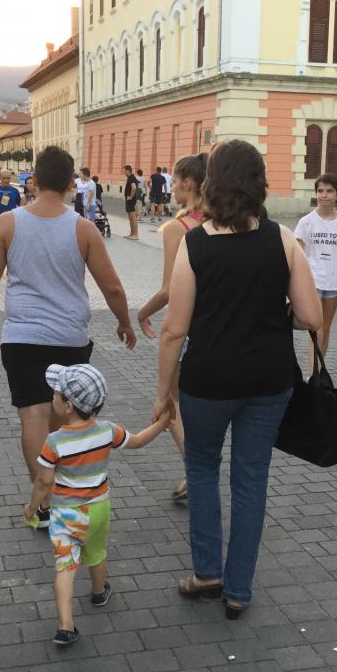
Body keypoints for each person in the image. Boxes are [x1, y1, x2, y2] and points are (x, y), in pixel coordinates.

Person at [152, 140, 322, 617]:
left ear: (212, 183)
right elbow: (310, 316)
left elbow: (174, 329)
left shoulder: (195, 243)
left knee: (202, 470)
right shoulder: (282, 239)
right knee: (251, 480)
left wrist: (163, 392)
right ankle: (239, 590)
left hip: (207, 382)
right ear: (259, 184)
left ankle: (207, 573)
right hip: (268, 381)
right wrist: (275, 314)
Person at [0, 145, 137, 529]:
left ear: (34, 179)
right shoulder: (83, 228)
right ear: (69, 184)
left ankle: (44, 501)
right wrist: (124, 322)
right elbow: (112, 286)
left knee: (32, 414)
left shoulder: (8, 224)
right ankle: (63, 489)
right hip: (69, 338)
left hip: (22, 337)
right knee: (61, 415)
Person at [24, 364, 170, 645]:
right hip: (98, 509)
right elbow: (138, 441)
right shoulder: (107, 431)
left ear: (68, 405)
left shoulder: (54, 442)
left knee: (65, 567)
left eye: (56, 394)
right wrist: (162, 423)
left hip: (66, 514)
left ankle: (65, 626)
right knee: (97, 552)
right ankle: (99, 592)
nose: (52, 396)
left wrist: (31, 509)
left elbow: (44, 481)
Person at [137, 153, 208, 502]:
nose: (172, 187)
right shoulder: (225, 220)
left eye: (176, 181)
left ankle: (196, 473)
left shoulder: (179, 229)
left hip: (188, 327)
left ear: (188, 184)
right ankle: (199, 471)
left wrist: (141, 312)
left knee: (170, 403)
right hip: (220, 331)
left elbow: (169, 290)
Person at [294, 173, 337, 372]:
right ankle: (313, 375)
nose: (324, 195)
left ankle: (319, 371)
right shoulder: (306, 222)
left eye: (329, 191)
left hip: (334, 283)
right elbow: (297, 258)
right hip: (313, 282)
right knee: (316, 329)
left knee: (325, 329)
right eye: (320, 191)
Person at [123, 164, 140, 240]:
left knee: (133, 218)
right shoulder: (130, 178)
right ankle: (132, 234)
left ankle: (135, 235)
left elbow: (134, 188)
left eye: (124, 171)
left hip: (131, 201)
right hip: (129, 200)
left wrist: (130, 197)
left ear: (128, 170)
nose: (124, 173)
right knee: (130, 218)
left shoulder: (132, 178)